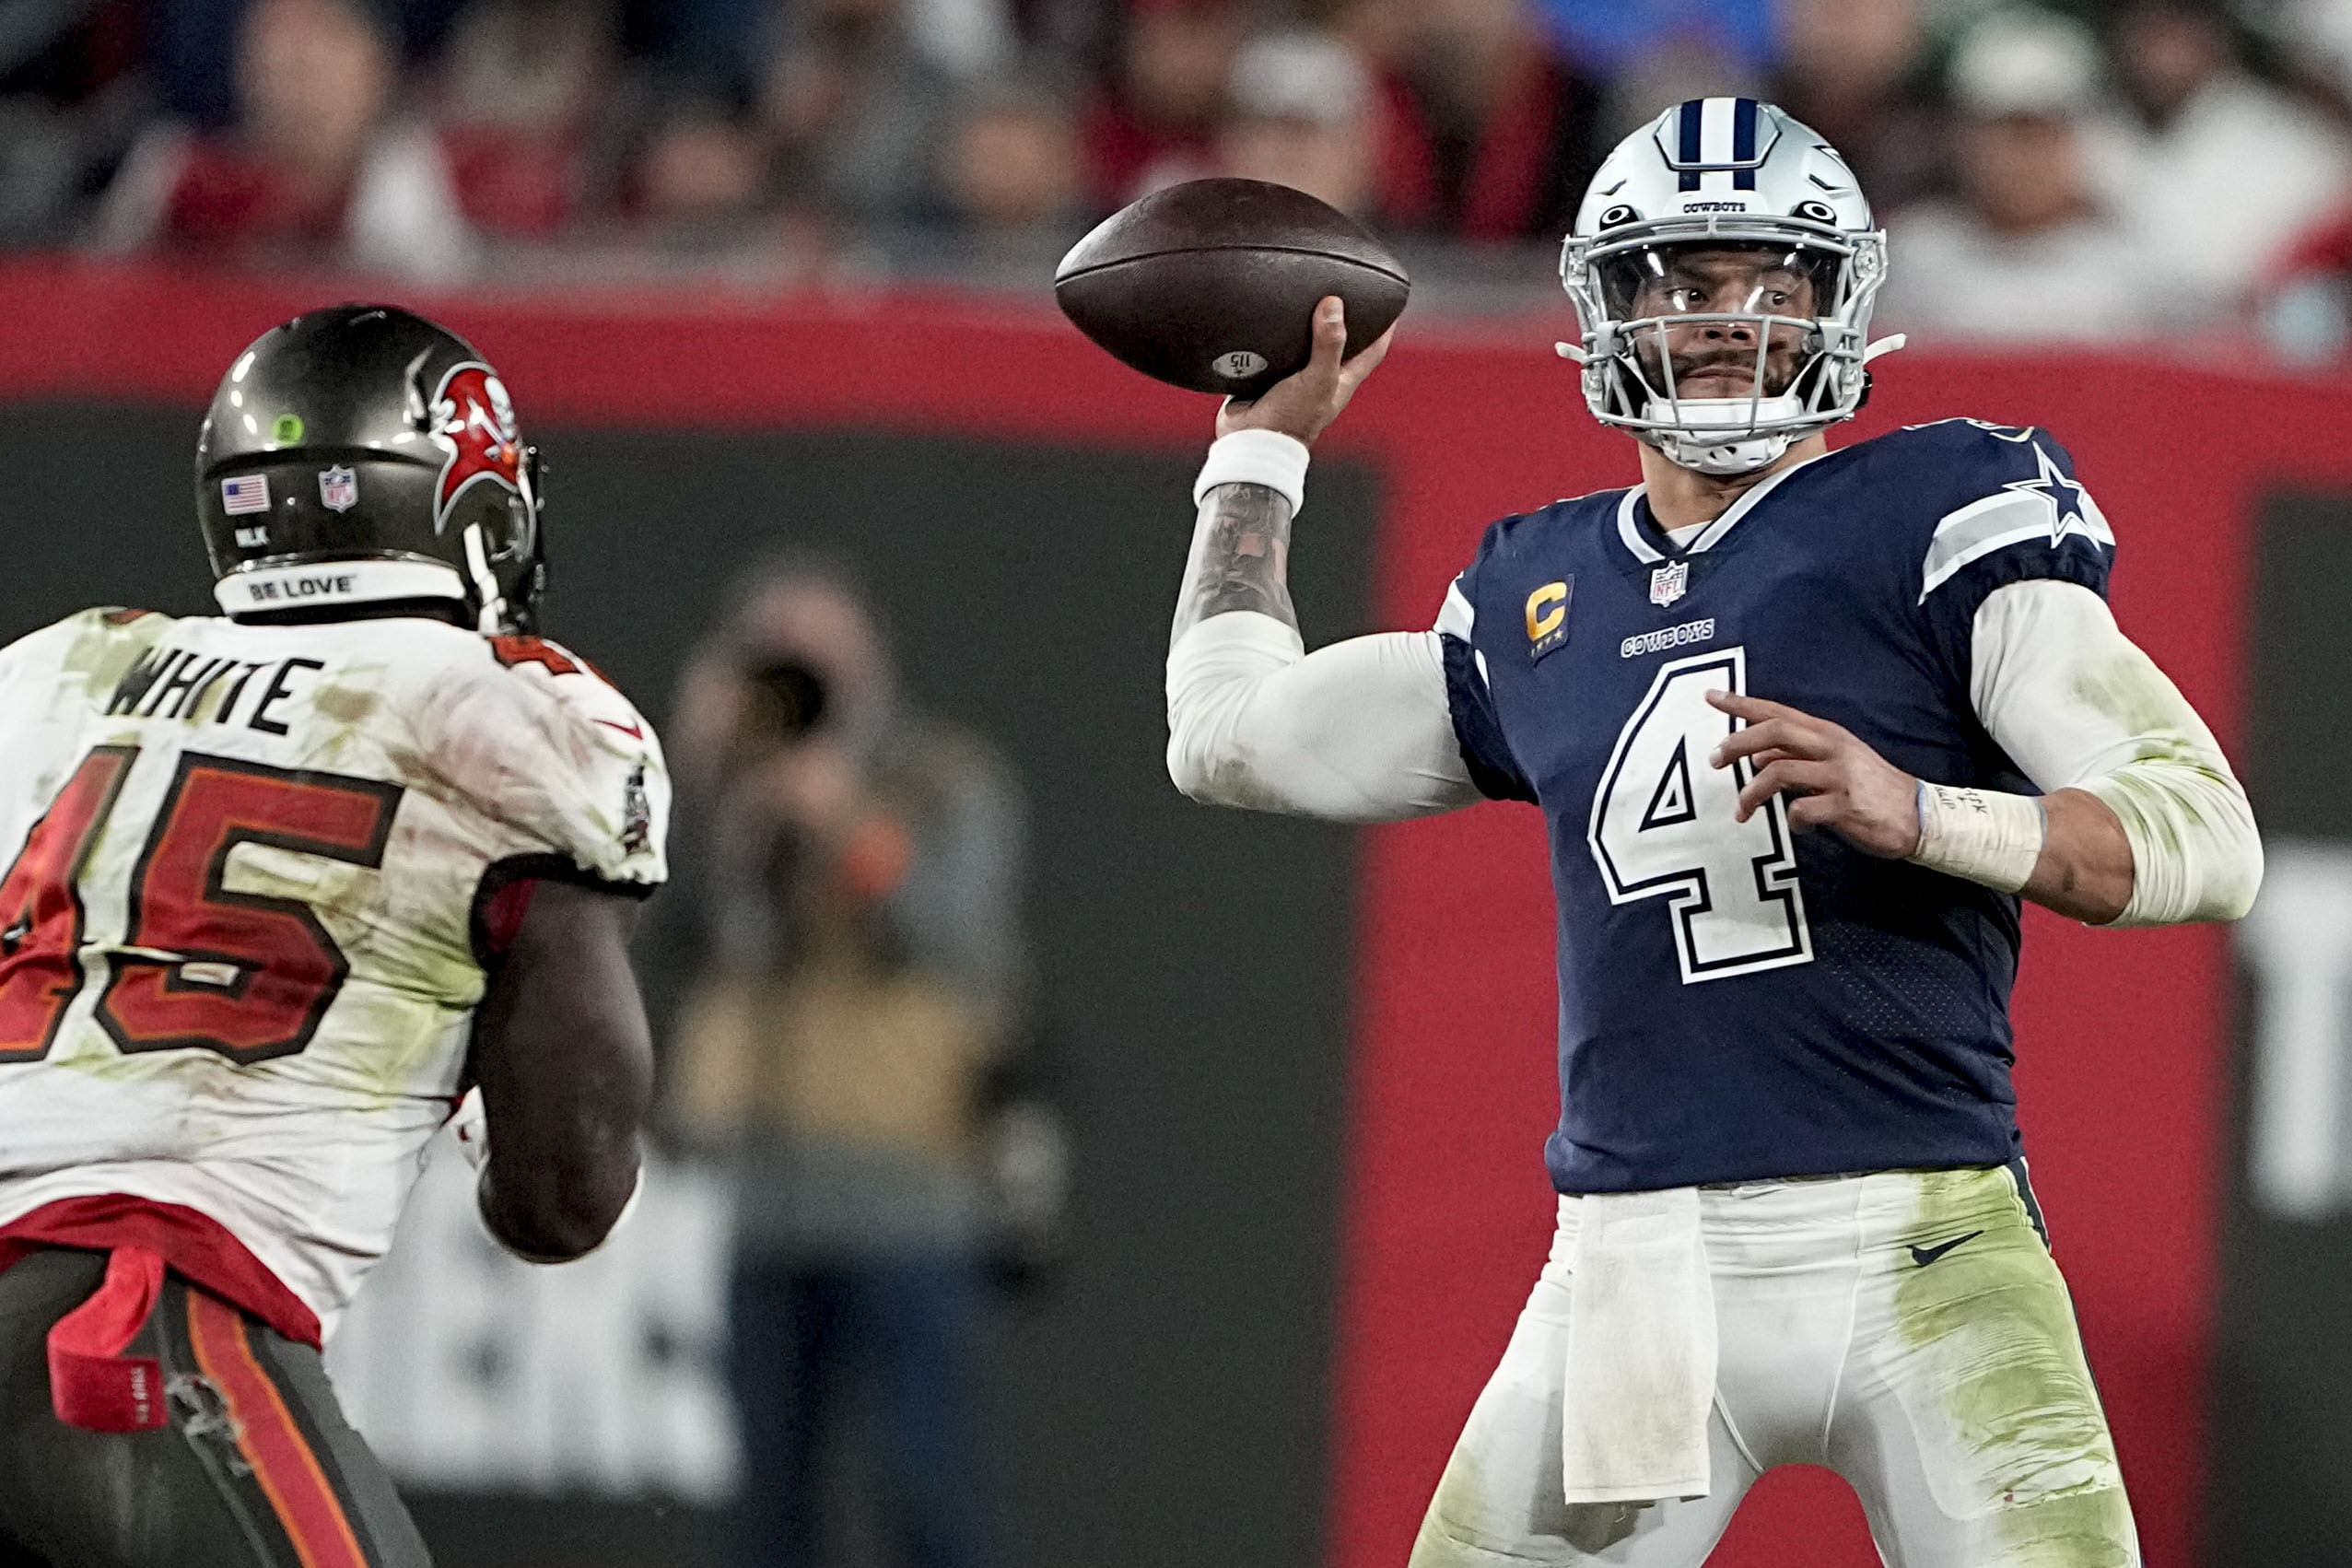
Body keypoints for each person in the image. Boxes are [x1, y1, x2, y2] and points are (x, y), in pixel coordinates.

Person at [1161, 98, 2259, 1565]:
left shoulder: (1940, 507)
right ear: (1610, 308)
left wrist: (1918, 810)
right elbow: (1227, 738)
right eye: (1685, 281)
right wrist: (1255, 461)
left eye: (1773, 281)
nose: (1731, 319)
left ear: (1839, 302)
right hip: (1636, 1268)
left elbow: (2204, 836)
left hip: (1924, 1241)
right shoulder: (1535, 591)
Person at [0, 305, 669, 1565]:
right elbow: (564, 1194)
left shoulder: (63, 677)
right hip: (140, 1316)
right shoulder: (507, 718)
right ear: (476, 508)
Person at [656, 560, 1047, 1568]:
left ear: (868, 659)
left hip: (906, 1200)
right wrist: (704, 792)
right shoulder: (736, 792)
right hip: (764, 1203)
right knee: (766, 1506)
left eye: (813, 653)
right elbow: (686, 938)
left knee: (926, 1489)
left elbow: (955, 938)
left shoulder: (946, 779)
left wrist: (842, 819)